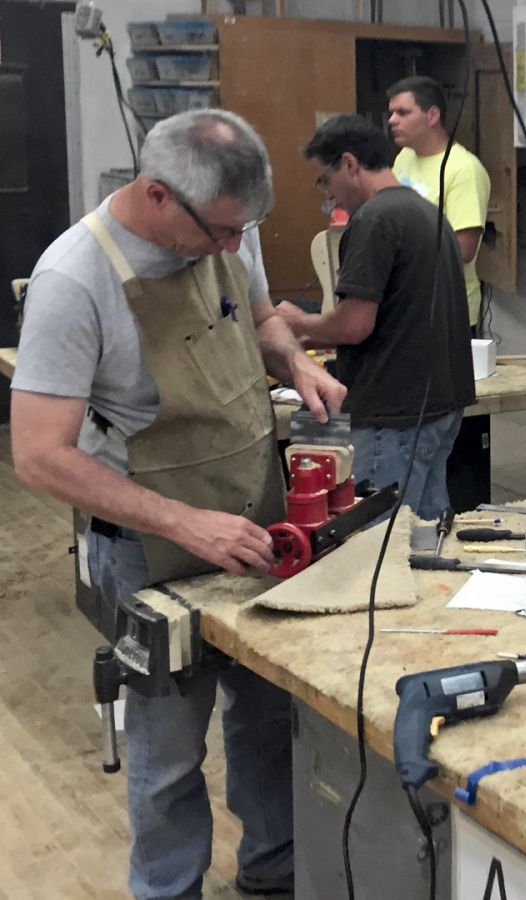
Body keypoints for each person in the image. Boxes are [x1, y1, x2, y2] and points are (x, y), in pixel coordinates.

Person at [11, 108, 346, 898]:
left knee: (268, 716)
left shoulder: (231, 222)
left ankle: (274, 872)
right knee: (168, 752)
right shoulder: (72, 280)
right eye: (222, 233)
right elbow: (37, 454)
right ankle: (169, 890)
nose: (235, 248)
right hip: (147, 543)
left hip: (251, 513)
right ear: (158, 196)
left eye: (244, 231)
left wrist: (296, 366)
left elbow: (261, 315)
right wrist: (181, 521)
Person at [279, 114, 476, 522]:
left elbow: (354, 325)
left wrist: (299, 324)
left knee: (376, 544)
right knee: (424, 530)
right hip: (438, 404)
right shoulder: (425, 211)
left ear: (349, 164)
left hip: (394, 412)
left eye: (324, 181)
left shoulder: (373, 220)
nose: (328, 196)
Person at [387, 75, 492, 333]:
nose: (392, 120)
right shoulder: (404, 158)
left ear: (432, 116)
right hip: (403, 304)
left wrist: (398, 251)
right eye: (391, 113)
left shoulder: (463, 169)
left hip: (445, 310)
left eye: (402, 112)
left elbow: (463, 250)